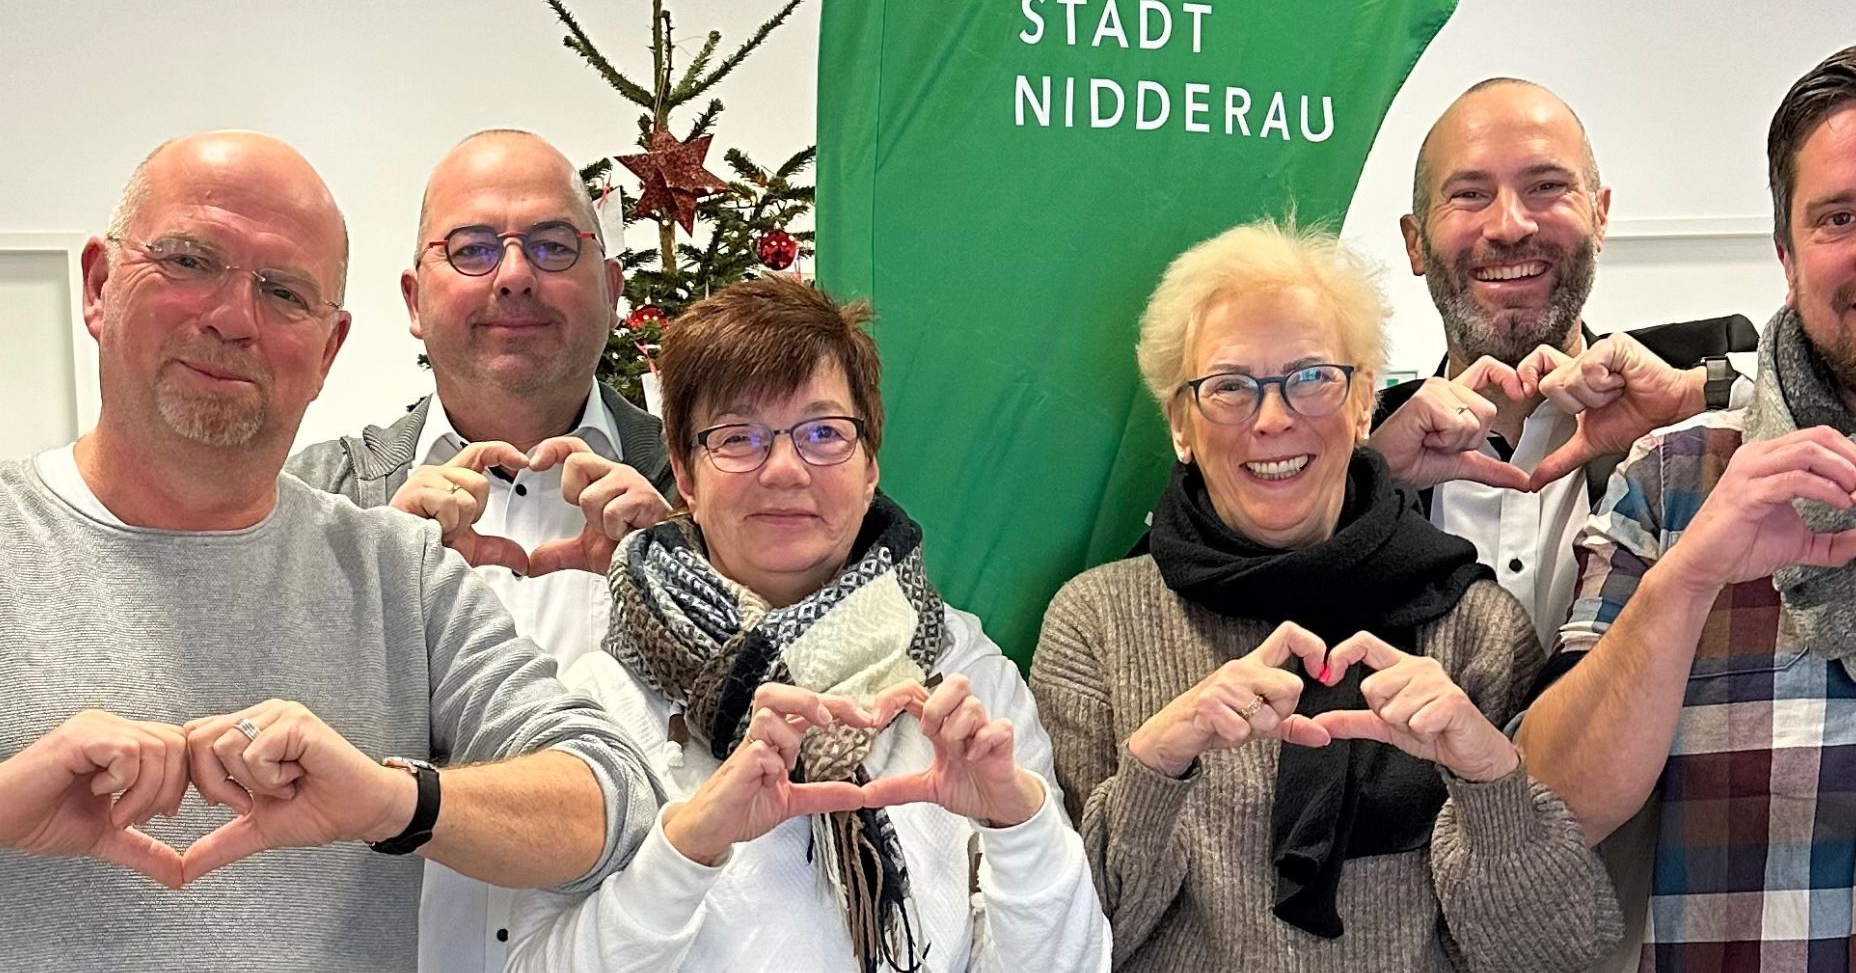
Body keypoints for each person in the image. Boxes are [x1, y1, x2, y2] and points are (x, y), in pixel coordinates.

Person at [0, 132, 658, 973]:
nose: (233, 319)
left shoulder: (398, 570)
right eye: (190, 261)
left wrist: (394, 801)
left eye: (283, 292)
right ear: (98, 286)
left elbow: (611, 795)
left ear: (329, 349)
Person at [1515, 38, 1856, 971]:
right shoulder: (1675, 479)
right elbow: (1546, 812)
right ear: (1786, 255)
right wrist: (1686, 581)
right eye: (1838, 217)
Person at [1030, 219, 1619, 971]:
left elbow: (1561, 955)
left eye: (1310, 378)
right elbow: (1056, 947)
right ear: (1181, 424)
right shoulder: (1097, 625)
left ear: (1363, 403)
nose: (1273, 419)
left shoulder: (1476, 629)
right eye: (1229, 387)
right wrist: (1154, 764)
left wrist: (1490, 781)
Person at [505, 277, 1111, 972]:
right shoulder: (606, 699)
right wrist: (687, 851)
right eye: (739, 437)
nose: (786, 469)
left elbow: (1073, 963)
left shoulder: (965, 673)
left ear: (870, 467)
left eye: (824, 433)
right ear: (686, 475)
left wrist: (1017, 825)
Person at [287, 128, 672, 973]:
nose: (514, 274)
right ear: (413, 297)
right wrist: (368, 576)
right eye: (471, 249)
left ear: (610, 288)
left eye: (552, 244)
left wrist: (685, 574)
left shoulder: (710, 489)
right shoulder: (311, 497)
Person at [1370, 78, 1758, 646]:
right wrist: (1363, 484)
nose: (1509, 226)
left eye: (1546, 187)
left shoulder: (1695, 394)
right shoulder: (1365, 446)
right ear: (1414, 242)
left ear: (1600, 217)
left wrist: (1693, 395)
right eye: (1470, 194)